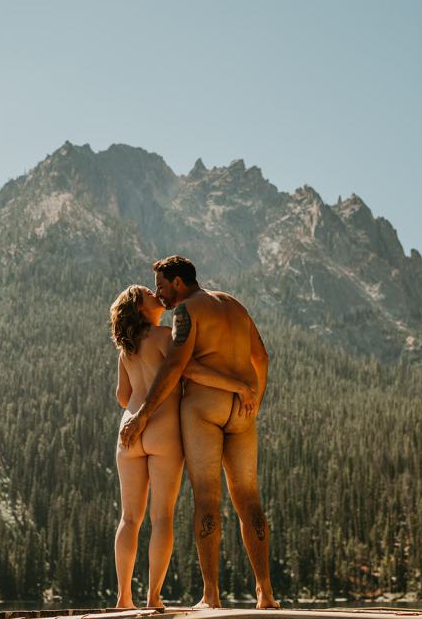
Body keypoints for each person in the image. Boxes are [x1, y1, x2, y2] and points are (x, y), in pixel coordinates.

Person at [120, 256, 278, 609]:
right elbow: (263, 357)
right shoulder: (234, 305)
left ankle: (210, 596)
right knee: (249, 500)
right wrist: (254, 397)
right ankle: (266, 593)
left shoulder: (186, 311)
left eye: (161, 286)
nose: (160, 295)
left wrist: (143, 414)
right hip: (242, 412)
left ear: (178, 282)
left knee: (207, 497)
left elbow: (178, 365)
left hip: (205, 410)